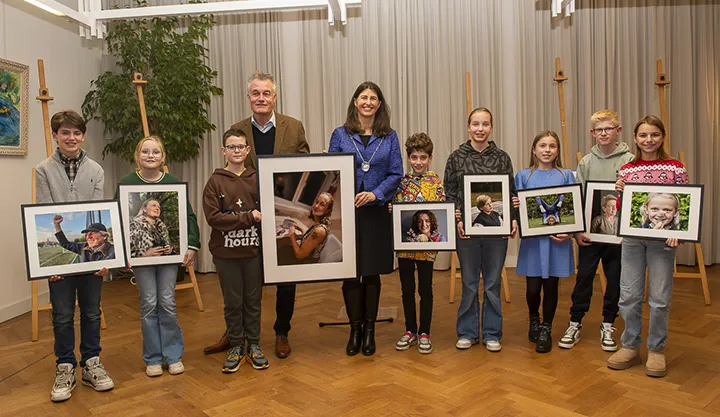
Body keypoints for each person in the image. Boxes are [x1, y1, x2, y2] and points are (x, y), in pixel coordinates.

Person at [205, 72, 310, 359]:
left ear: (274, 97)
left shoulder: (294, 127)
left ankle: (281, 331)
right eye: (255, 93)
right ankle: (235, 333)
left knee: (286, 277)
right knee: (244, 279)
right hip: (247, 216)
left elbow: (306, 166)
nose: (261, 98)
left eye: (266, 93)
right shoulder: (237, 129)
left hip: (279, 216)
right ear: (249, 97)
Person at [35, 110, 114, 402]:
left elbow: (100, 212)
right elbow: (41, 209)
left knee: (92, 312)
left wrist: (104, 261)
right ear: (56, 135)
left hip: (92, 262)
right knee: (62, 315)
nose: (71, 138)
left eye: (77, 133)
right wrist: (45, 266)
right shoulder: (43, 169)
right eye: (65, 133)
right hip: (62, 272)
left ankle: (91, 364)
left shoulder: (95, 169)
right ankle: (65, 366)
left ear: (83, 136)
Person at [607, 115, 687, 378]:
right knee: (628, 296)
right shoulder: (627, 169)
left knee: (660, 298)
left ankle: (656, 349)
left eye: (654, 134)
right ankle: (630, 345)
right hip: (632, 240)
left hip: (663, 241)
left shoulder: (676, 168)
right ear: (635, 138)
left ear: (662, 136)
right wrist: (619, 194)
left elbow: (685, 206)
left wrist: (679, 233)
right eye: (643, 135)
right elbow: (622, 209)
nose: (648, 140)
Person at [329, 81, 403, 356]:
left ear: (379, 104)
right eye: (364, 97)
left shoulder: (390, 137)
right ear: (355, 102)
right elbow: (332, 173)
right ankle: (355, 329)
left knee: (370, 272)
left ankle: (370, 330)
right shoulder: (340, 134)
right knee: (350, 273)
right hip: (347, 213)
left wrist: (376, 194)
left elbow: (396, 173)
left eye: (373, 98)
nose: (368, 102)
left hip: (375, 212)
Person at [117, 135, 201, 378]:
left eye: (156, 152)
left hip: (167, 260)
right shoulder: (126, 183)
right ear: (137, 156)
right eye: (145, 152)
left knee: (167, 302)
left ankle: (173, 355)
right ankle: (153, 358)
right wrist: (124, 253)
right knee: (148, 304)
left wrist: (191, 245)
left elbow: (189, 217)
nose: (150, 156)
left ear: (163, 157)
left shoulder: (173, 182)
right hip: (141, 261)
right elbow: (117, 221)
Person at [444, 107, 518, 353]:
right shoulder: (455, 158)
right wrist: (456, 218)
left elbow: (510, 193)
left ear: (491, 127)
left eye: (485, 124)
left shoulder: (502, 157)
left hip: (497, 232)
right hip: (466, 232)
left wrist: (513, 218)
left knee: (493, 282)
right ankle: (467, 332)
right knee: (469, 283)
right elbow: (450, 193)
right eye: (475, 124)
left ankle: (491, 333)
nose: (480, 129)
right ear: (468, 127)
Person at [559, 109, 633, 352]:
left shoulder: (630, 161)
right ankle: (575, 321)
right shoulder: (586, 162)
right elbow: (578, 198)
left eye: (608, 129)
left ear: (618, 131)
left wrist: (626, 232)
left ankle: (608, 323)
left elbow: (636, 200)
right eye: (599, 130)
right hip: (590, 235)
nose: (603, 133)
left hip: (619, 238)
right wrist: (577, 231)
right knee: (584, 280)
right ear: (592, 133)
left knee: (615, 281)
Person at [203, 128, 268, 372]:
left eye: (241, 146)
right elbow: (214, 218)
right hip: (226, 254)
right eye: (232, 147)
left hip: (253, 252)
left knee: (253, 301)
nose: (237, 151)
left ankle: (254, 344)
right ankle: (236, 345)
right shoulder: (215, 181)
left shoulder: (258, 178)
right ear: (224, 151)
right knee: (232, 302)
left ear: (248, 150)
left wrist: (243, 218)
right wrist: (248, 217)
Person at [513, 130, 575, 354]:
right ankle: (533, 318)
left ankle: (546, 327)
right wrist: (516, 208)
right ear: (534, 150)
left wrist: (568, 232)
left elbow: (572, 209)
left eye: (552, 146)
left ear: (557, 150)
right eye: (542, 146)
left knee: (551, 287)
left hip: (558, 241)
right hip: (533, 241)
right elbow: (516, 209)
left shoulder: (567, 175)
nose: (547, 150)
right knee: (532, 288)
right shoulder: (523, 176)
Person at [392, 133, 445, 354]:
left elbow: (442, 211)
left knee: (426, 289)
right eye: (414, 157)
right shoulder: (401, 182)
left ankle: (425, 331)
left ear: (430, 158)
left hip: (427, 248)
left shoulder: (436, 182)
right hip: (405, 247)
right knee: (406, 289)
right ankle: (410, 329)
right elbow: (395, 209)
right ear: (408, 158)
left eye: (423, 157)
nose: (418, 162)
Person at [287, 192, 334, 263]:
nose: (316, 206)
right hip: (303, 258)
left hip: (305, 263)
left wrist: (292, 235)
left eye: (322, 204)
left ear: (327, 210)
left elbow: (299, 255)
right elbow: (309, 239)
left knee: (282, 248)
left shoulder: (320, 230)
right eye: (316, 202)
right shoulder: (318, 224)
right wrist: (301, 229)